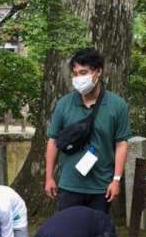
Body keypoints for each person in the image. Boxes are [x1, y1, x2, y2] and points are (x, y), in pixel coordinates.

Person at [45, 47, 131, 213]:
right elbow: (53, 141)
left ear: (98, 72)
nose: (78, 78)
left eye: (83, 72)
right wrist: (49, 178)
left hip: (101, 186)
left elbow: (121, 143)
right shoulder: (64, 104)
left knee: (96, 228)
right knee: (68, 228)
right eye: (75, 74)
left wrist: (116, 180)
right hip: (69, 184)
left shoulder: (117, 105)